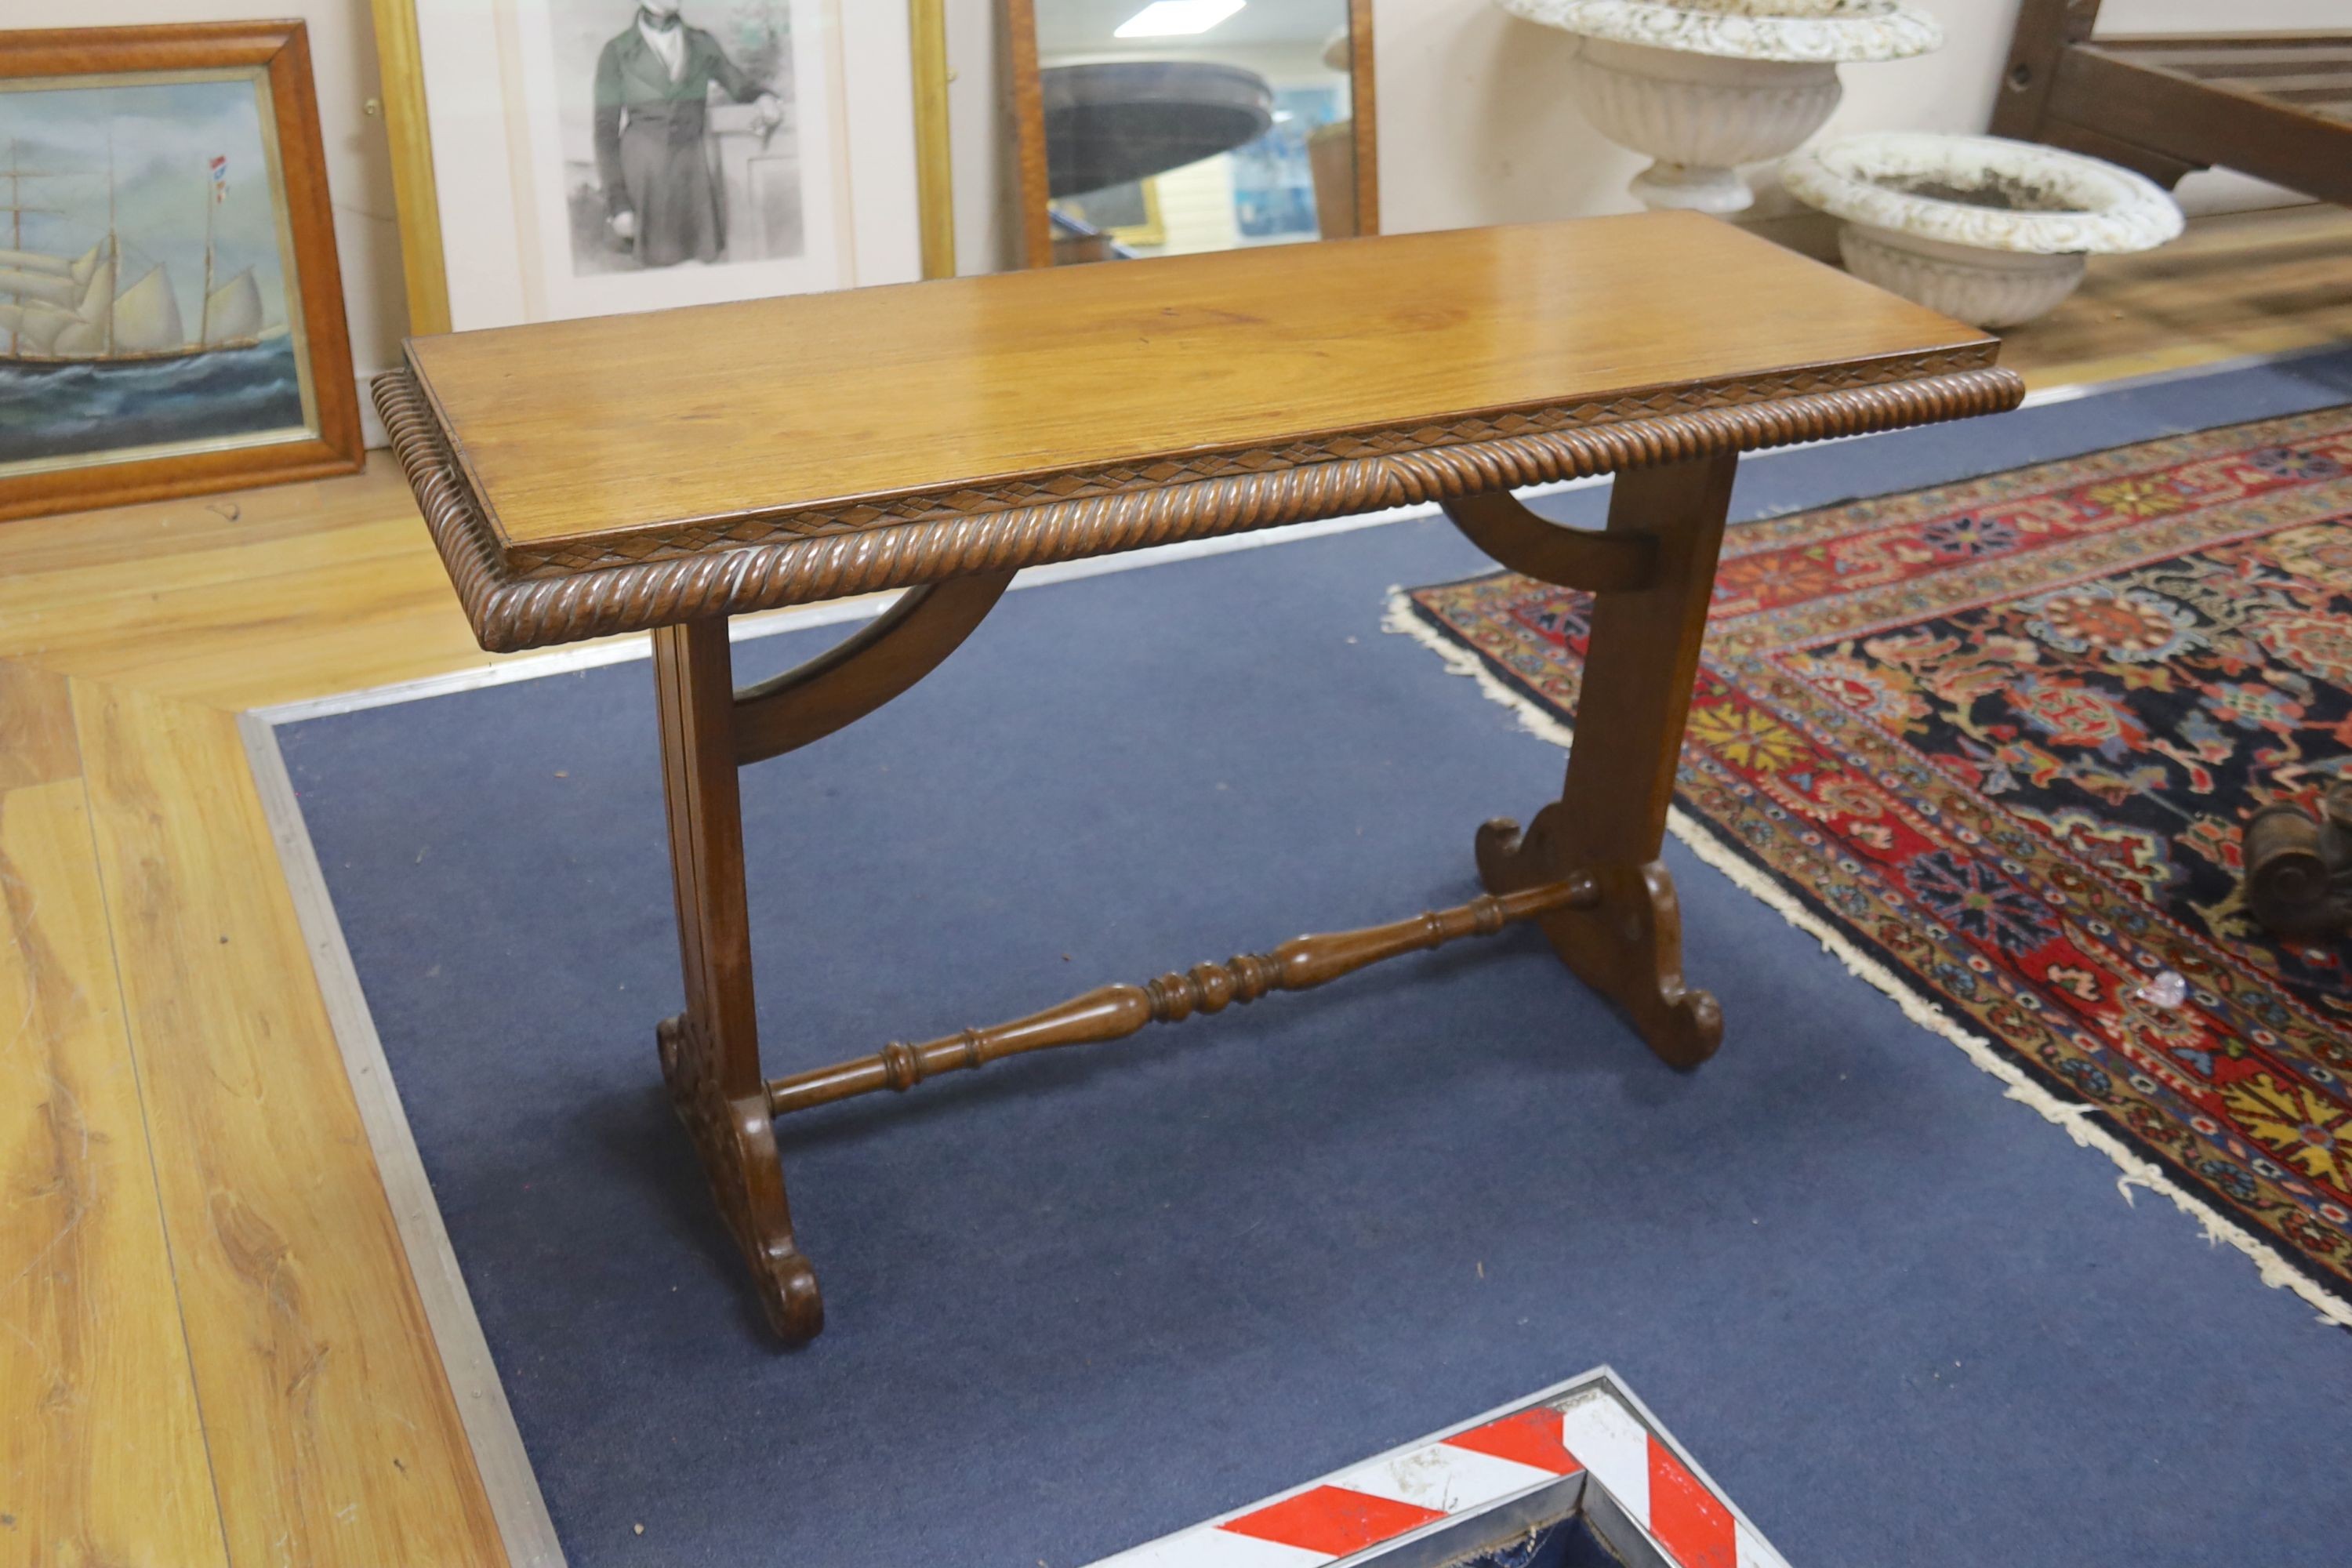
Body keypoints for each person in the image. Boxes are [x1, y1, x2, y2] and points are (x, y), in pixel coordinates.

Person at [591, 2, 783, 267]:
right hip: (641, 183)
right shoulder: (616, 51)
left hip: (691, 178)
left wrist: (763, 98)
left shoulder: (701, 43)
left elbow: (739, 84)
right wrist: (618, 203)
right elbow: (605, 134)